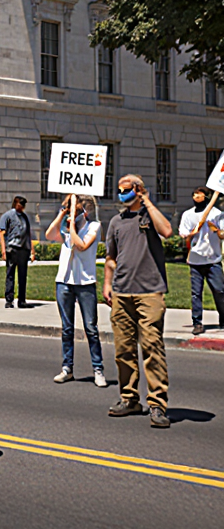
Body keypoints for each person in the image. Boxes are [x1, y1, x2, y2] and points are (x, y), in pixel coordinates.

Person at [103, 174, 174, 429]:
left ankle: (157, 404)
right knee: (124, 350)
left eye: (127, 189)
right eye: (119, 189)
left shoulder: (149, 216)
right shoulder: (115, 222)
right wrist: (107, 284)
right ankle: (129, 399)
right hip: (122, 293)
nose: (122, 193)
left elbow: (167, 231)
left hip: (149, 293)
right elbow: (111, 257)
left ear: (138, 189)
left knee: (152, 348)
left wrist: (147, 200)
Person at [45, 194, 106, 387]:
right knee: (67, 328)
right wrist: (62, 214)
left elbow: (81, 245)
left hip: (85, 283)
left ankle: (98, 369)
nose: (71, 215)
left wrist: (72, 224)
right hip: (64, 282)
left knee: (91, 328)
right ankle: (67, 368)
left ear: (84, 212)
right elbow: (48, 234)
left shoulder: (93, 227)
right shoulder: (64, 230)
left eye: (76, 211)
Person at [177, 187, 224, 335]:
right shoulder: (188, 215)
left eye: (200, 195)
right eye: (194, 195)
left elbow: (222, 235)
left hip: (213, 259)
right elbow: (184, 235)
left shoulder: (217, 214)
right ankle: (197, 323)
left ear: (207, 197)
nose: (196, 197)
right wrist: (192, 233)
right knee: (196, 293)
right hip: (195, 260)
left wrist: (215, 228)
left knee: (220, 291)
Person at [0, 196, 35, 308]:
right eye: (20, 205)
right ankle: (9, 300)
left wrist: (32, 251)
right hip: (12, 248)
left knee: (22, 275)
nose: (22, 207)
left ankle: (22, 300)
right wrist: (3, 250)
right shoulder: (8, 215)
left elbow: (28, 234)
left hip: (23, 249)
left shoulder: (25, 217)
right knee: (10, 274)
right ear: (16, 204)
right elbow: (1, 232)